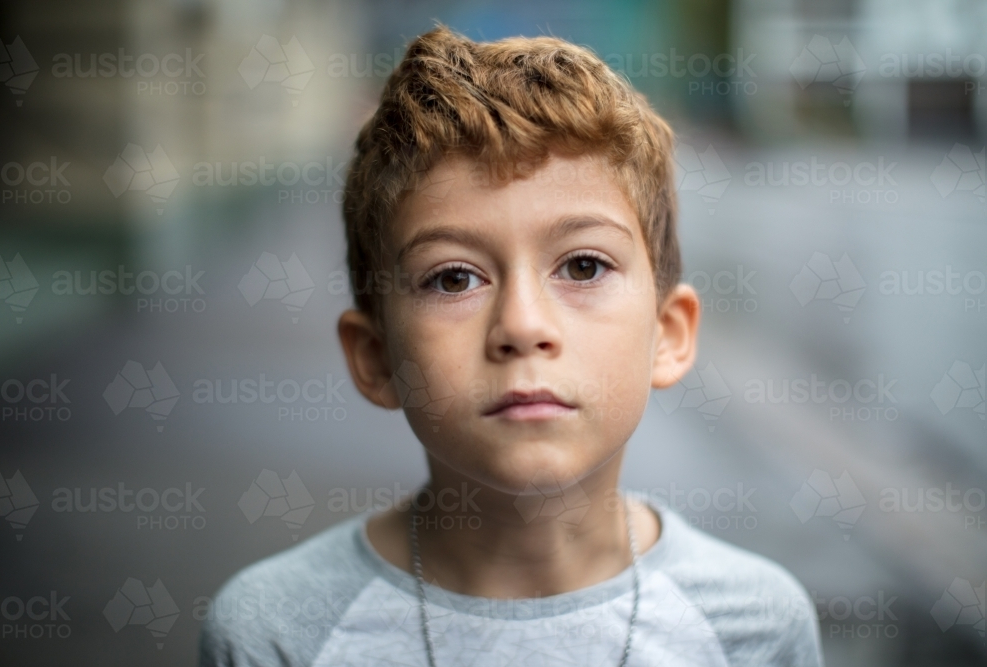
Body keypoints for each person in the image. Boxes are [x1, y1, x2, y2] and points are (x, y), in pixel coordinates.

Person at [200, 25, 824, 667]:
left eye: (583, 267)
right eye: (453, 278)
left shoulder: (755, 628)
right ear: (377, 357)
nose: (523, 326)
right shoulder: (277, 632)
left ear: (668, 335)